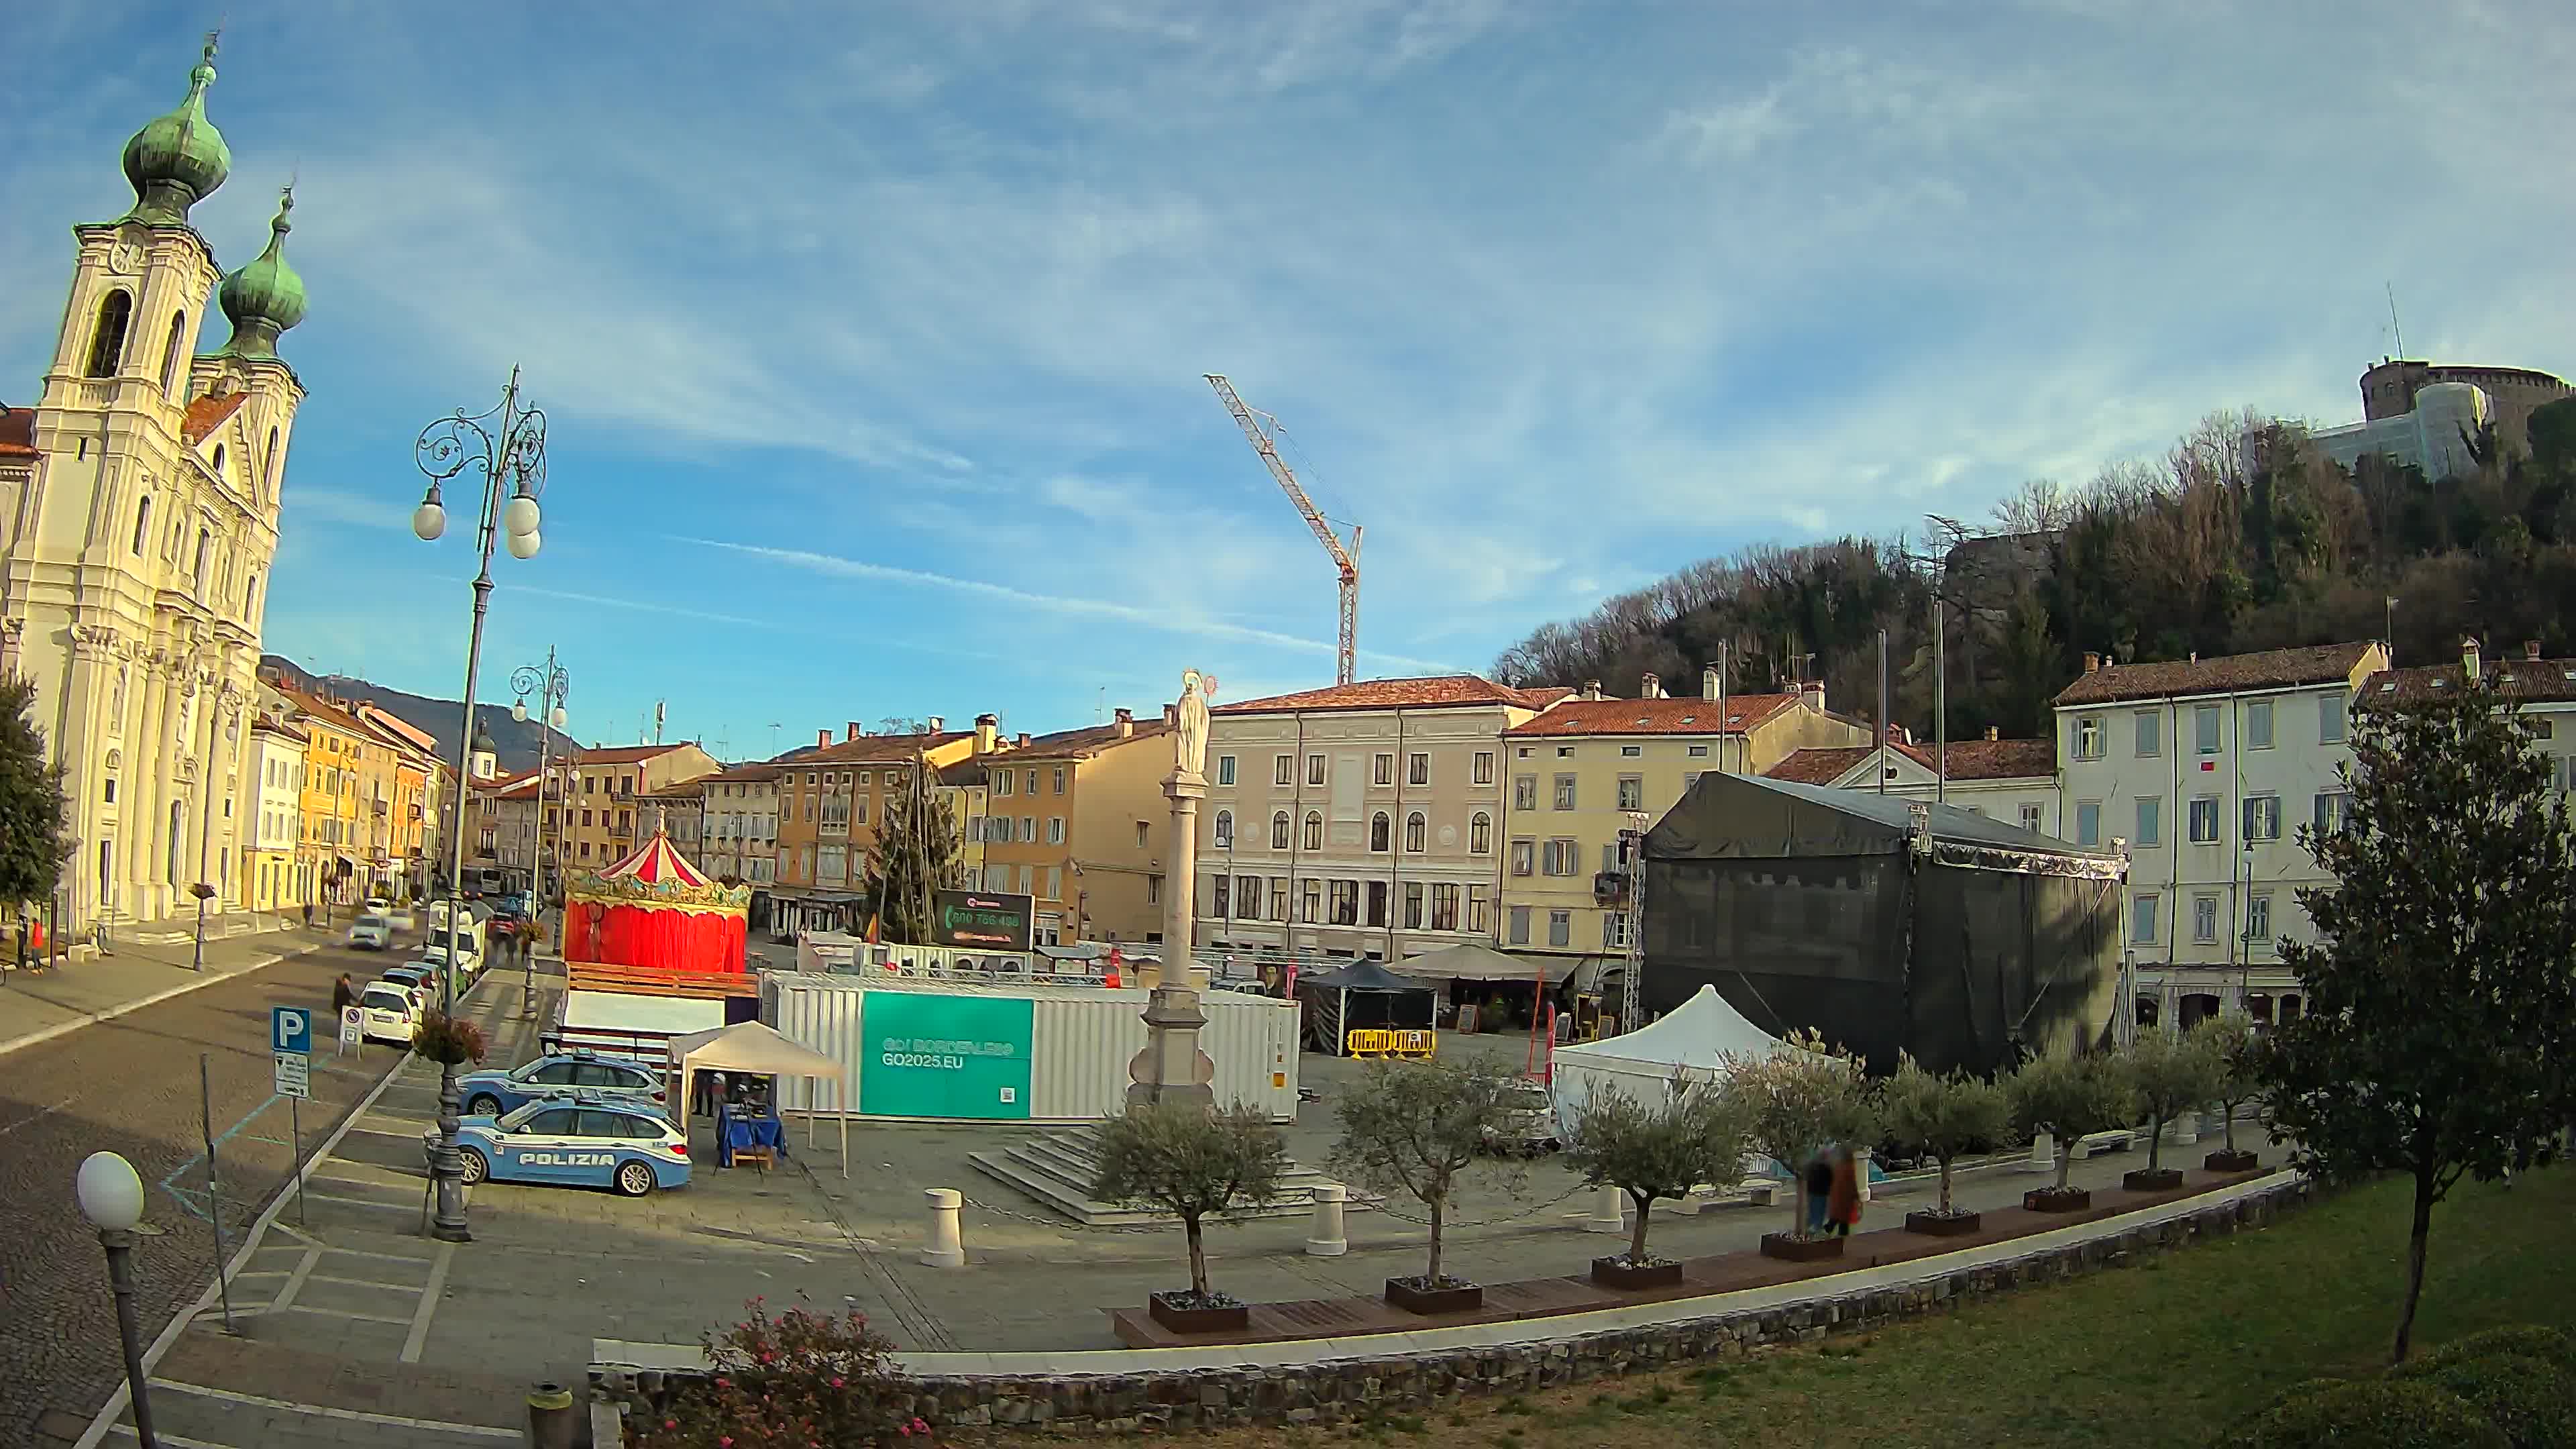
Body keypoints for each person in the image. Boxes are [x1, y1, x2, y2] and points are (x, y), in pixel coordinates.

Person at [1827, 1144, 1862, 1238]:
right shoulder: (1849, 1167)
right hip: (1846, 1199)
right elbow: (1852, 1184)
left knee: (1837, 1219)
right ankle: (1837, 1238)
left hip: (1838, 1197)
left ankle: (1829, 1232)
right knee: (1842, 1222)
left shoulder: (1838, 1166)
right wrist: (1856, 1197)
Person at [1803, 1149, 1835, 1236]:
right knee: (1820, 1211)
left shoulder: (1812, 1165)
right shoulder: (1827, 1167)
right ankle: (1816, 1228)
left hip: (1812, 1191)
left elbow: (1807, 1176)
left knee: (1812, 1209)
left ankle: (1809, 1226)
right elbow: (1831, 1180)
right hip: (1821, 1192)